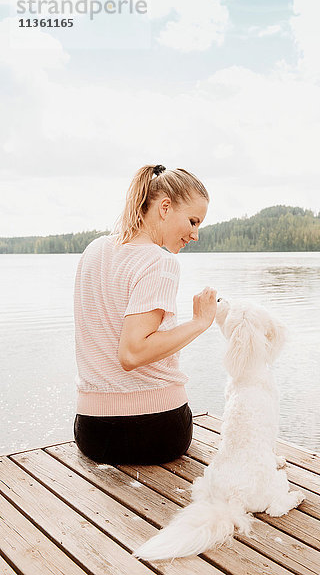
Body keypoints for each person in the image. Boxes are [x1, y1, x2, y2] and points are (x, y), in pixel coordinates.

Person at [73, 164, 217, 465]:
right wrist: (200, 323)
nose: (195, 234)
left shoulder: (94, 250)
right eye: (192, 221)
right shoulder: (159, 262)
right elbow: (132, 353)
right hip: (154, 432)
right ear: (165, 207)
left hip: (92, 433)